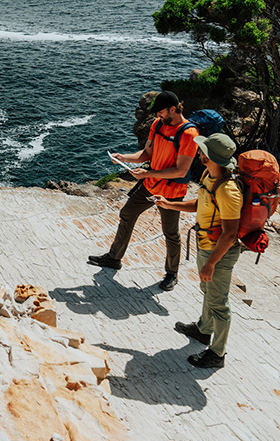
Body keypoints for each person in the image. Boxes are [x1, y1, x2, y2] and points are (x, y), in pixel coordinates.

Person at [88, 90, 197, 291]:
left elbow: (180, 170)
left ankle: (172, 274)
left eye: (161, 112)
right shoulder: (157, 125)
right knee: (127, 213)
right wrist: (125, 158)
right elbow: (146, 154)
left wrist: (147, 174)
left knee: (170, 232)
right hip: (150, 184)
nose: (157, 115)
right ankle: (114, 258)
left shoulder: (189, 134)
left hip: (171, 192)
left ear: (173, 109)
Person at [152, 133, 243, 369]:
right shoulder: (208, 176)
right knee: (207, 290)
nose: (198, 153)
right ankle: (204, 329)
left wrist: (211, 263)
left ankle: (217, 353)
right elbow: (200, 204)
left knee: (219, 303)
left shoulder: (228, 190)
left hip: (219, 252)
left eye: (202, 150)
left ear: (210, 157)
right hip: (206, 245)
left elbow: (230, 233)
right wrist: (170, 203)